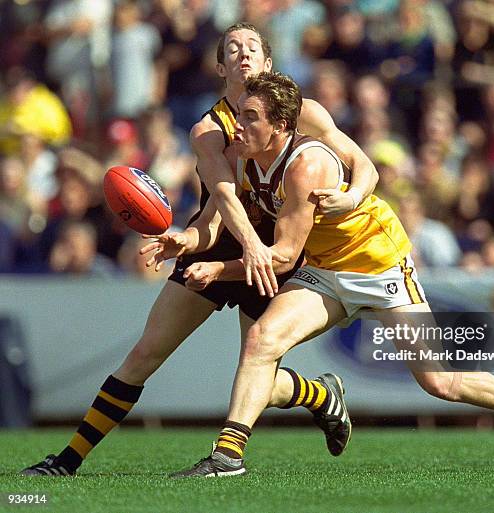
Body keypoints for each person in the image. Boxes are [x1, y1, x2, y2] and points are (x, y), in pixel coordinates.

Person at [164, 71, 494, 477]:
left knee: (441, 382)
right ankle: (227, 457)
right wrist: (189, 240)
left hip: (378, 266)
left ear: (281, 126)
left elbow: (283, 257)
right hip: (326, 270)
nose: (239, 124)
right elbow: (220, 217)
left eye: (251, 116)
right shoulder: (244, 157)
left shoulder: (305, 166)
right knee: (261, 339)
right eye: (240, 113)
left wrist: (219, 268)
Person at [21, 22, 378, 477]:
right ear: (219, 67)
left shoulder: (301, 112)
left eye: (252, 47)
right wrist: (190, 240)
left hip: (277, 252)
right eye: (232, 48)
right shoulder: (209, 131)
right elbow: (221, 206)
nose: (243, 53)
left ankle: (311, 402)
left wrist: (351, 197)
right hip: (233, 243)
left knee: (258, 371)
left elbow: (361, 163)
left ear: (269, 63)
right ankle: (67, 462)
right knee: (145, 353)